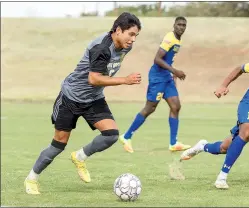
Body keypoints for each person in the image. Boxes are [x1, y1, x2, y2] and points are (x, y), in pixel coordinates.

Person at [24, 12, 142, 195]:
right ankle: (31, 178)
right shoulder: (101, 48)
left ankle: (79, 157)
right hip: (71, 98)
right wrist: (125, 80)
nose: (133, 39)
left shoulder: (125, 47)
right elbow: (94, 79)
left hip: (94, 98)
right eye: (131, 34)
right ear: (118, 30)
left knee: (111, 135)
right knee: (58, 145)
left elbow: (101, 78)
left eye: (136, 36)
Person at [180, 37, 249, 189]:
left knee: (225, 147)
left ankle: (202, 147)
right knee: (247, 131)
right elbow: (240, 68)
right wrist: (223, 85)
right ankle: (222, 178)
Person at [119, 16, 191, 153]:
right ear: (174, 25)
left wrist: (172, 74)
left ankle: (173, 143)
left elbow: (168, 59)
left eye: (184, 25)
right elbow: (157, 59)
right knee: (150, 108)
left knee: (176, 106)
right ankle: (126, 136)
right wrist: (174, 70)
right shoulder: (170, 38)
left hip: (167, 77)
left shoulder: (178, 39)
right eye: (179, 24)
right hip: (157, 77)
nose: (181, 27)